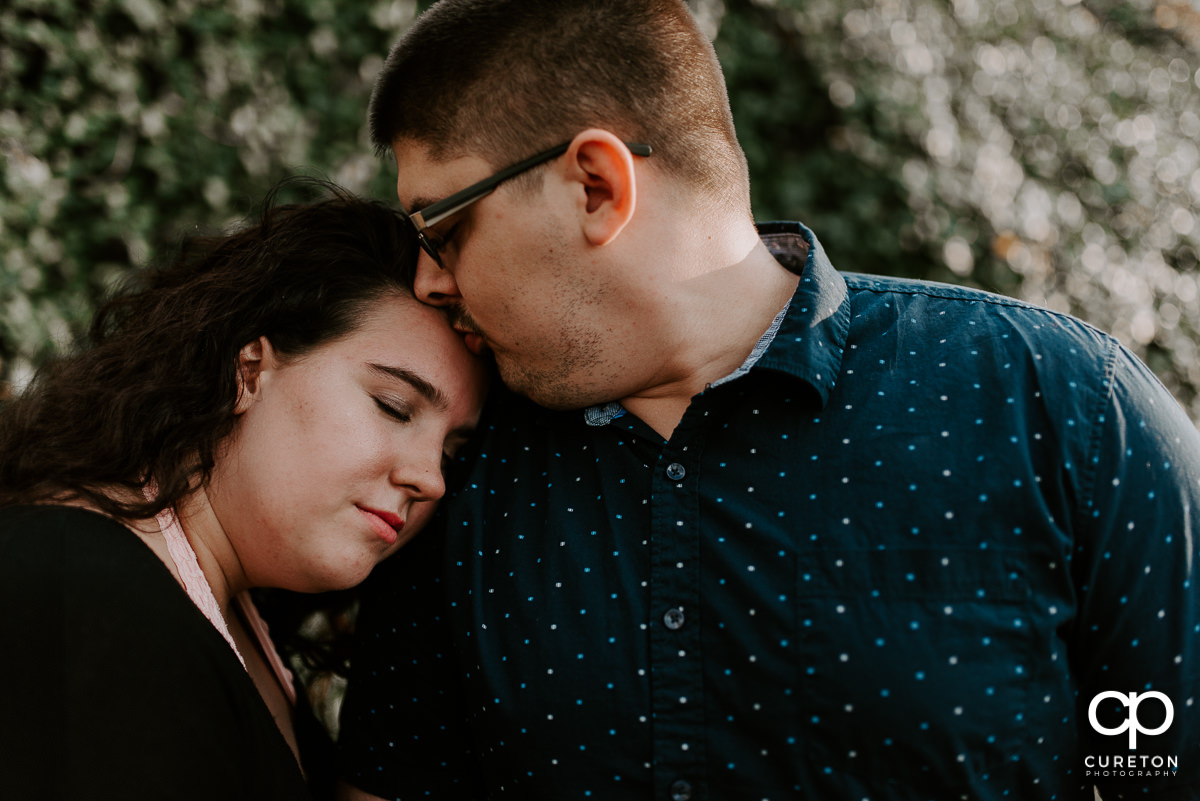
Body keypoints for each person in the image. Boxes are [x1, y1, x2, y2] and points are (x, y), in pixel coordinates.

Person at [336, 1, 1200, 799]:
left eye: (441, 230)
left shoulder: (1065, 407)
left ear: (595, 186)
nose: (428, 279)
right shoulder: (456, 471)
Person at [0, 180, 488, 801]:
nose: (432, 478)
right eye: (394, 407)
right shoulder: (76, 584)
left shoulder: (225, 612)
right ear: (249, 370)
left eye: (454, 451)